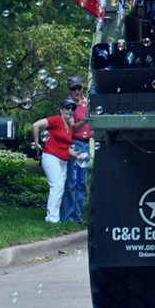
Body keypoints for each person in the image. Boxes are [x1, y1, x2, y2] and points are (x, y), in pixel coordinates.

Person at [32, 99, 90, 223]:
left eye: (72, 109)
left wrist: (74, 154)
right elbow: (36, 125)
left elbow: (65, 146)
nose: (70, 111)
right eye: (67, 108)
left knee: (60, 188)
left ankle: (55, 216)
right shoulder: (56, 120)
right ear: (61, 110)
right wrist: (36, 142)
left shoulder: (68, 126)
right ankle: (51, 218)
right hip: (51, 157)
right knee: (57, 186)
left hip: (62, 160)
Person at [60, 76, 91, 224]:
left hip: (85, 144)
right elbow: (73, 127)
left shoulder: (87, 102)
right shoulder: (69, 105)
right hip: (74, 144)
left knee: (82, 183)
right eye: (74, 89)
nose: (77, 91)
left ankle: (78, 216)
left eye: (79, 88)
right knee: (72, 181)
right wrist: (85, 119)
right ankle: (68, 217)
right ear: (69, 90)